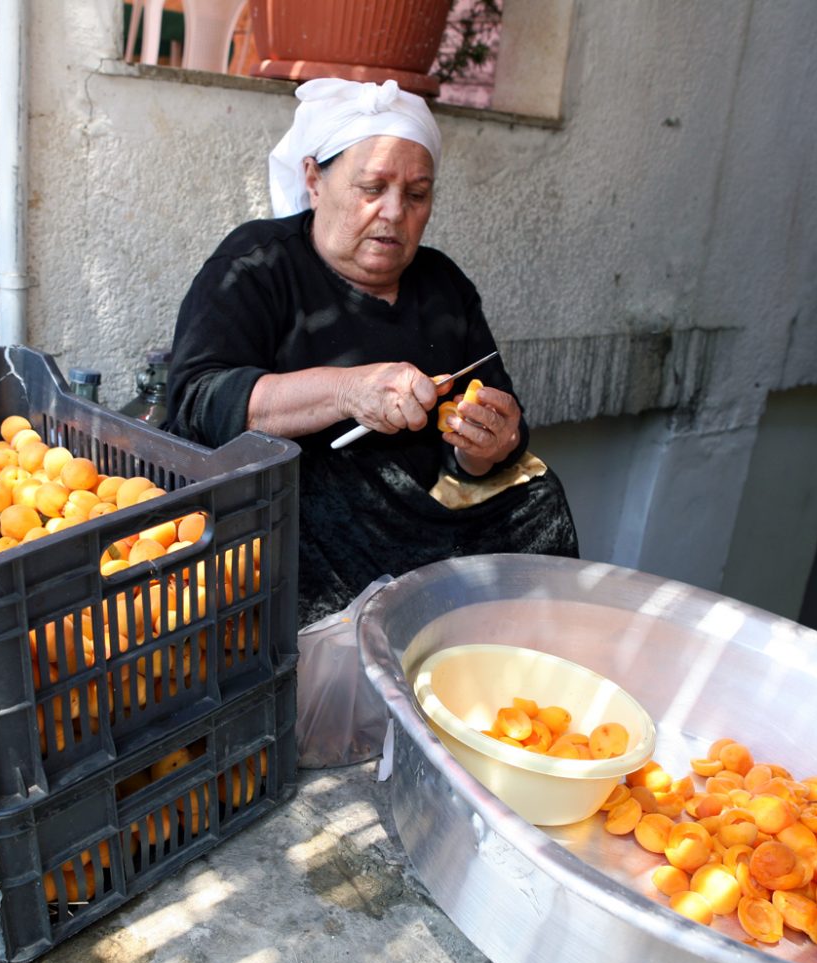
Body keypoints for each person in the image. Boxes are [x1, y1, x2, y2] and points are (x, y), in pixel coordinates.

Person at [166, 78, 578, 627]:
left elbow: (492, 438)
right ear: (314, 180)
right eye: (371, 188)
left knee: (539, 500)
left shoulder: (442, 284)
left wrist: (486, 443)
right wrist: (348, 391)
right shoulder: (256, 266)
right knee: (313, 502)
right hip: (308, 533)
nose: (393, 213)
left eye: (416, 195)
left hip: (424, 523)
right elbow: (199, 401)